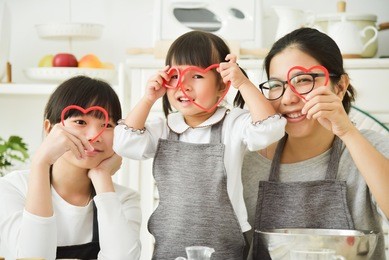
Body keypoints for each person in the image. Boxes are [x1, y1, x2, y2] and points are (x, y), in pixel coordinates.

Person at [113, 30, 286, 260]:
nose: (183, 85)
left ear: (221, 87)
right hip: (170, 247)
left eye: (196, 75)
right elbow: (125, 144)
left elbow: (269, 129)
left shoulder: (233, 124)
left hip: (226, 245)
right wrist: (148, 99)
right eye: (175, 76)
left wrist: (242, 82)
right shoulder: (163, 128)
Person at [242, 27, 389, 259]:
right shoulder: (248, 159)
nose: (288, 99)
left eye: (302, 80)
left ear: (339, 87)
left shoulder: (370, 148)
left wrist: (348, 132)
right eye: (276, 85)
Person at [0, 76, 141, 260]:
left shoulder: (123, 199)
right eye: (80, 122)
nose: (94, 136)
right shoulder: (12, 188)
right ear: (49, 129)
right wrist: (40, 163)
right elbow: (33, 257)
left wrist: (102, 176)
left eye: (106, 125)